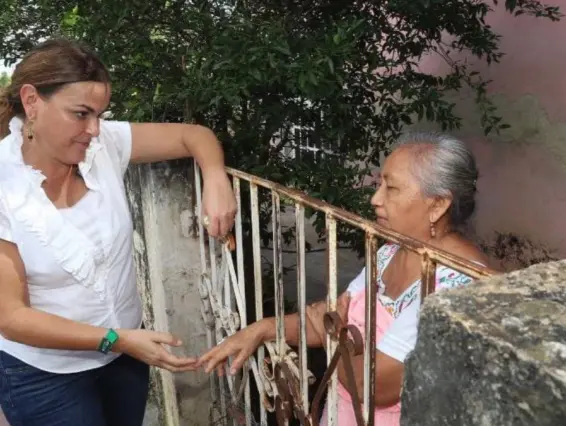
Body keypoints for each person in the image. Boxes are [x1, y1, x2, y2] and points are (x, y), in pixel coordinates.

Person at [0, 38, 237, 426]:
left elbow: (194, 134)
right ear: (31, 102)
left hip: (123, 356)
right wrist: (116, 338)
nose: (94, 129)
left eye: (99, 114)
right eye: (80, 114)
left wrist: (214, 176)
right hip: (45, 376)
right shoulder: (3, 185)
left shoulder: (103, 144)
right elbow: (11, 318)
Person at [199, 132, 489, 425]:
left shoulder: (457, 286)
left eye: (391, 188)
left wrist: (332, 334)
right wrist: (261, 330)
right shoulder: (391, 251)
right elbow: (335, 316)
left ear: (438, 205)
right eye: (379, 185)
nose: (375, 199)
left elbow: (373, 386)